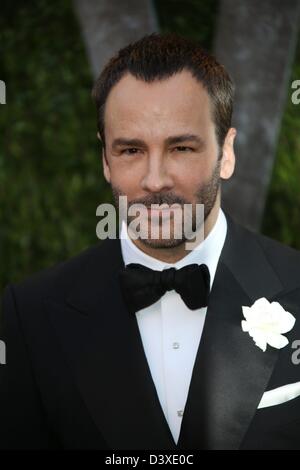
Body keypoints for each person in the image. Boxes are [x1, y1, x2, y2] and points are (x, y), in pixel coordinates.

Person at [1, 33, 300, 450]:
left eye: (180, 147)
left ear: (226, 153)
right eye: (130, 151)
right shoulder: (29, 315)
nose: (155, 180)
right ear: (105, 159)